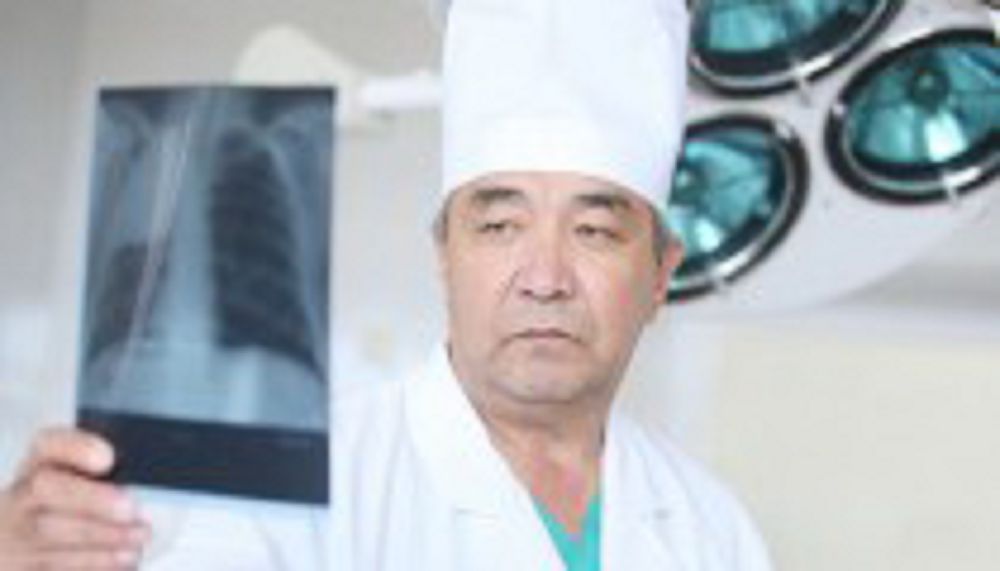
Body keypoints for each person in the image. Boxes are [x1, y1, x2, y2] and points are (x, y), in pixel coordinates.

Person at [0, 0, 773, 569]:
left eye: (595, 231)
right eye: (499, 225)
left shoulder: (713, 528)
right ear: (444, 254)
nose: (545, 278)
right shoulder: (293, 490)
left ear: (661, 273)